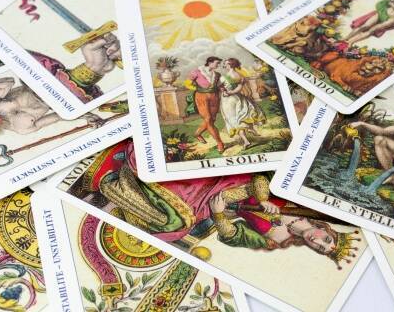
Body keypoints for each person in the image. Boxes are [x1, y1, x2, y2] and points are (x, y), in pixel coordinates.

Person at [73, 139, 361, 269]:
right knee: (176, 216)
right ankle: (119, 182)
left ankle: (117, 186)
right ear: (327, 229)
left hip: (216, 203)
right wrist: (263, 199)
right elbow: (262, 176)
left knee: (174, 227)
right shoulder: (301, 206)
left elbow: (232, 236)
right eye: (326, 240)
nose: (317, 242)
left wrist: (220, 214)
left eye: (320, 249)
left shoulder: (275, 240)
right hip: (231, 178)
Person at [0, 76, 102, 148]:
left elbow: (9, 82)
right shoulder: (21, 129)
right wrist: (87, 116)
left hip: (44, 80)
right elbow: (57, 117)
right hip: (63, 97)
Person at [219, 58, 265, 149]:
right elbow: (238, 88)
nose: (224, 66)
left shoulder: (226, 76)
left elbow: (222, 87)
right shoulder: (239, 75)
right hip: (237, 97)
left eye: (226, 64)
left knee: (234, 119)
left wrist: (227, 92)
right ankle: (250, 130)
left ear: (231, 65)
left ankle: (246, 140)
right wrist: (229, 92)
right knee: (242, 116)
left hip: (228, 100)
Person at [189, 56, 224, 152]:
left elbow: (219, 85)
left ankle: (197, 134)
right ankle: (219, 142)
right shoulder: (196, 72)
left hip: (214, 97)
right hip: (202, 97)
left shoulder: (217, 74)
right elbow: (188, 83)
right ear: (210, 62)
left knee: (212, 119)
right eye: (217, 63)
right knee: (208, 119)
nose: (218, 65)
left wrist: (224, 90)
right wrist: (199, 89)